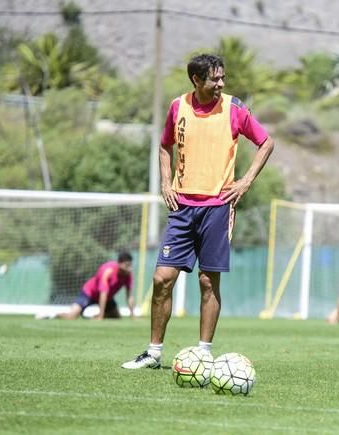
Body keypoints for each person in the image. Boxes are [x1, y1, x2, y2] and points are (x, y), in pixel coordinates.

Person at [122, 54, 275, 369]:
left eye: (222, 77)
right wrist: (166, 182)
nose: (221, 83)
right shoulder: (178, 107)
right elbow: (165, 145)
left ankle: (204, 352)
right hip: (181, 207)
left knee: (208, 281)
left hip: (217, 207)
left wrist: (244, 182)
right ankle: (153, 353)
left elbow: (266, 143)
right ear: (196, 80)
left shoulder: (234, 108)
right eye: (214, 78)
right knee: (162, 278)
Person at [50, 252, 135, 320]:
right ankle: (52, 315)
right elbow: (103, 293)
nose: (129, 268)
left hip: (107, 298)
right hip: (89, 293)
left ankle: (93, 317)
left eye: (130, 265)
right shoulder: (107, 271)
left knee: (116, 317)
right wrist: (101, 316)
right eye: (127, 265)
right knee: (71, 316)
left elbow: (129, 296)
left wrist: (133, 316)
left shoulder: (128, 275)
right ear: (119, 264)